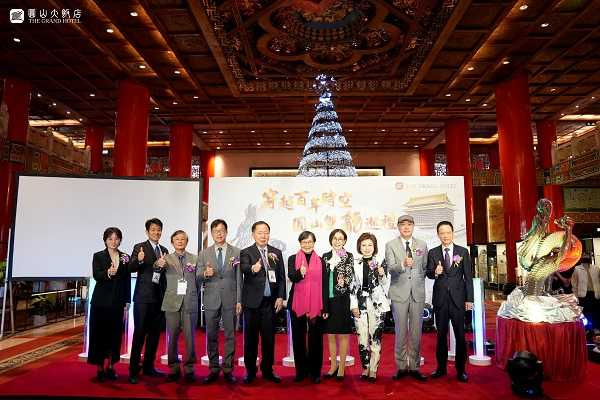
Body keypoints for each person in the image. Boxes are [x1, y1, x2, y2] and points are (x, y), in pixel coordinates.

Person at [426, 221, 473, 383]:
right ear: (438, 235)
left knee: (460, 336)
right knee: (440, 336)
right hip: (440, 301)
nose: (445, 235)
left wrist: (469, 299)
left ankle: (461, 370)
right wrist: (435, 272)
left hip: (458, 300)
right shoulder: (433, 253)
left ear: (452, 233)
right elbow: (429, 274)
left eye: (448, 232)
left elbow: (468, 277)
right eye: (442, 233)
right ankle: (441, 368)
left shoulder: (462, 252)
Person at [240, 221, 286, 384]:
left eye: (266, 232)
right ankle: (250, 371)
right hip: (252, 304)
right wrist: (254, 268)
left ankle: (268, 370)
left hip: (270, 303)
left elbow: (281, 277)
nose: (263, 235)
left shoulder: (276, 252)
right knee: (251, 340)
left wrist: (281, 297)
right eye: (260, 232)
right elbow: (244, 268)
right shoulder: (246, 252)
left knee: (269, 339)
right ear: (253, 234)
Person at [198, 219, 242, 384]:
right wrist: (205, 274)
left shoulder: (236, 252)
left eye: (222, 230)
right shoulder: (204, 253)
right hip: (211, 299)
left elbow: (239, 278)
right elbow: (197, 275)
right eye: (216, 231)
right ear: (211, 233)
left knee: (230, 335)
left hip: (231, 299)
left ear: (226, 232)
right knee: (211, 336)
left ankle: (228, 369)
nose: (219, 233)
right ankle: (214, 368)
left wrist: (239, 300)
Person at [385, 215, 429, 381]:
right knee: (401, 332)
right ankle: (402, 367)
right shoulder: (391, 245)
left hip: (417, 294)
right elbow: (390, 268)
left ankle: (416, 366)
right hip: (399, 293)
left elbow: (424, 268)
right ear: (398, 227)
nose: (406, 227)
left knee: (417, 333)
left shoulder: (422, 245)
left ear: (413, 226)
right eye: (402, 224)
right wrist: (402, 264)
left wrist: (416, 281)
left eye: (409, 224)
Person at [127, 218, 169, 384]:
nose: (156, 232)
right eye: (153, 229)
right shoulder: (140, 247)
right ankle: (133, 370)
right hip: (143, 298)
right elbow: (130, 268)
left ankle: (149, 366)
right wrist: (140, 260)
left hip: (159, 298)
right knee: (139, 334)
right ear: (147, 232)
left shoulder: (164, 250)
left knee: (154, 335)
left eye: (159, 230)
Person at [88, 227, 131, 382]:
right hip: (100, 303)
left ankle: (111, 366)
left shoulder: (125, 257)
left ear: (120, 240)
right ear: (105, 240)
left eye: (116, 238)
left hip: (118, 303)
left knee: (115, 336)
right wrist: (107, 273)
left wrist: (127, 300)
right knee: (100, 335)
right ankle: (99, 368)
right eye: (110, 238)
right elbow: (96, 275)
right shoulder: (98, 256)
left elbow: (127, 279)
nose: (114, 241)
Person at [287, 231, 328, 384]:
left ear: (314, 242)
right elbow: (292, 277)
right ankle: (301, 371)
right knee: (298, 339)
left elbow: (324, 284)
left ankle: (315, 372)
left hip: (317, 304)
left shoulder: (321, 261)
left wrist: (325, 307)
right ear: (300, 243)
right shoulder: (292, 258)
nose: (307, 244)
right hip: (297, 303)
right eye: (304, 242)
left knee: (316, 340)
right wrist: (300, 273)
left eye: (309, 242)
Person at [159, 230, 199, 383]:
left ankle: (189, 370)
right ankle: (174, 369)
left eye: (183, 239)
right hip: (171, 303)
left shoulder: (195, 258)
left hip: (190, 301)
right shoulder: (166, 259)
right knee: (172, 338)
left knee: (190, 338)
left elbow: (199, 278)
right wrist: (158, 265)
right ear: (172, 241)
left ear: (187, 241)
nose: (180, 241)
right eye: (177, 239)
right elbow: (157, 272)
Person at [350, 232, 390, 383]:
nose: (367, 248)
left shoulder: (381, 262)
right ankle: (365, 367)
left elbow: (386, 285)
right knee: (362, 337)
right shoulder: (355, 263)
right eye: (364, 245)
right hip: (360, 304)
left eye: (370, 245)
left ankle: (373, 369)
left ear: (375, 247)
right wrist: (353, 305)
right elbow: (352, 286)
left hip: (378, 305)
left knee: (376, 338)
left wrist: (382, 275)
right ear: (359, 247)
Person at [322, 228, 354, 381]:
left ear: (345, 241)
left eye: (340, 239)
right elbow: (322, 279)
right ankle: (333, 365)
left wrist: (344, 281)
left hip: (342, 299)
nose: (337, 241)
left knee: (342, 334)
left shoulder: (348, 256)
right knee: (330, 334)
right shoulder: (325, 256)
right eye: (335, 238)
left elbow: (350, 275)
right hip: (328, 300)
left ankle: (341, 366)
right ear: (331, 240)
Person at [572, 256, 600, 330]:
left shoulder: (596, 268)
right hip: (583, 295)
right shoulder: (577, 269)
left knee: (596, 313)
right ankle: (587, 330)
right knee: (586, 313)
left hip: (595, 293)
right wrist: (576, 295)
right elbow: (574, 283)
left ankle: (596, 330)